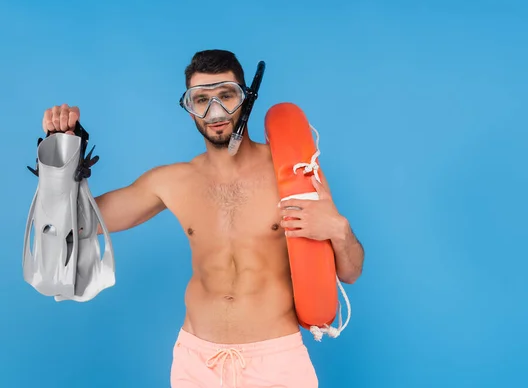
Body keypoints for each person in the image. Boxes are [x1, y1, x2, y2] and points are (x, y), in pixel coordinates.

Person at [41, 49, 365, 388]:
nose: (215, 112)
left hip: (276, 360)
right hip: (197, 364)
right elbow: (75, 225)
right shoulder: (172, 182)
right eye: (201, 100)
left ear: (247, 97)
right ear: (189, 107)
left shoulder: (294, 174)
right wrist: (62, 149)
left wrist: (340, 230)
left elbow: (351, 272)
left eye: (226, 96)